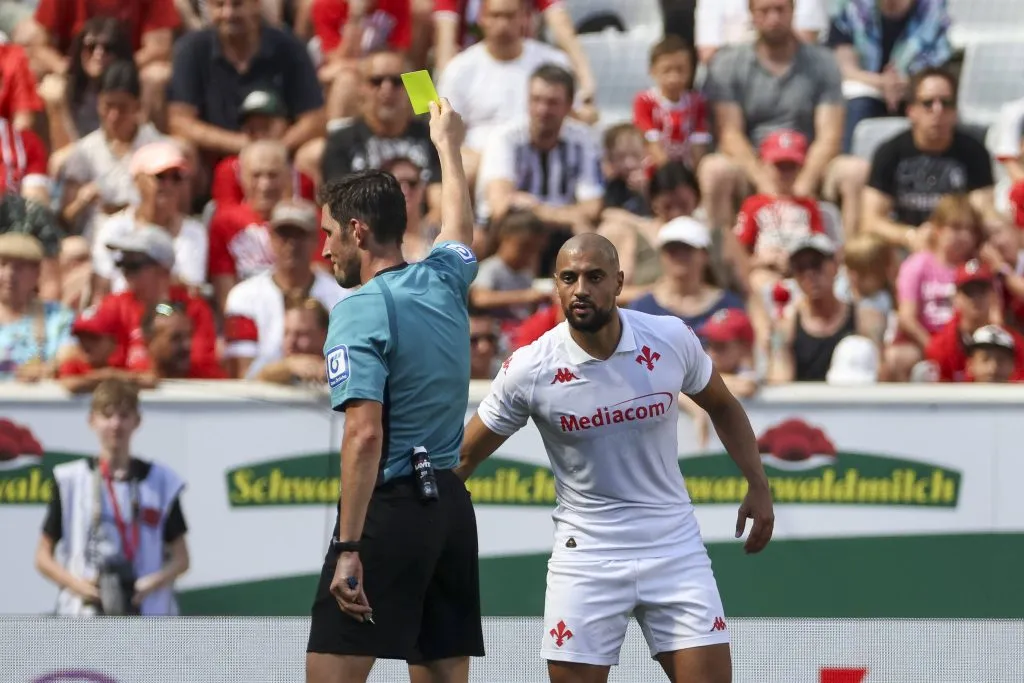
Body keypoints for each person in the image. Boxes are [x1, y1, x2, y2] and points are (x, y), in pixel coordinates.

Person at [457, 232, 773, 683]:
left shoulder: (668, 338)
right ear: (555, 286)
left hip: (673, 547)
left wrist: (758, 484)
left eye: (594, 276)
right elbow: (464, 457)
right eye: (569, 278)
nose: (581, 288)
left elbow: (723, 405)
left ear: (620, 282)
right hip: (586, 555)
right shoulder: (531, 367)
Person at [306, 98, 484, 683]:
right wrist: (447, 148)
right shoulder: (444, 278)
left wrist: (349, 545)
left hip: (391, 509)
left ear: (357, 230)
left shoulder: (359, 308)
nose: (325, 249)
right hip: (451, 510)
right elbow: (459, 225)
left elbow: (363, 433)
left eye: (329, 233)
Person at [35, 378, 190, 616]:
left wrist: (149, 583)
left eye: (124, 415)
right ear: (92, 421)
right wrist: (78, 585)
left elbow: (182, 559)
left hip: (146, 612)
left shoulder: (160, 481)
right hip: (83, 613)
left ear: (137, 421)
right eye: (107, 416)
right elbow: (42, 557)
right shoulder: (71, 480)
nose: (116, 424)